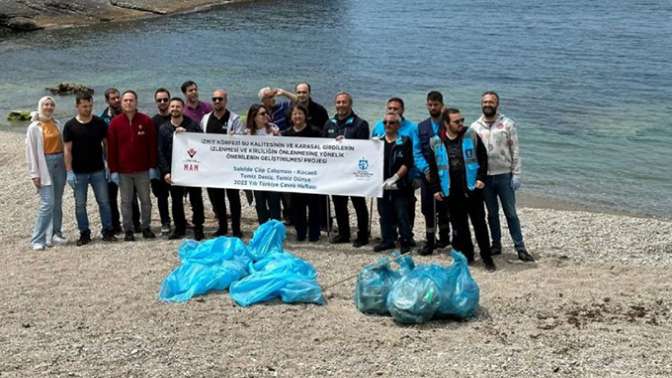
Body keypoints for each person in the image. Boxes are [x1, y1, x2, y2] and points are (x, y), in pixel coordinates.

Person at [470, 91, 534, 262]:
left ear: (497, 104)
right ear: (481, 104)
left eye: (491, 102)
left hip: (504, 176)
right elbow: (472, 156)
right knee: (491, 214)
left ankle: (520, 247)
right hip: (485, 178)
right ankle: (496, 244)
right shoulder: (474, 127)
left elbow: (516, 150)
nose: (487, 104)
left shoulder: (507, 124)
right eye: (485, 102)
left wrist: (517, 174)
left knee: (511, 213)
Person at [429, 108, 496, 271]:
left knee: (480, 224)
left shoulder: (470, 135)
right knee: (460, 227)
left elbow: (483, 158)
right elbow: (434, 167)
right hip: (451, 191)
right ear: (446, 123)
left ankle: (487, 258)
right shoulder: (436, 141)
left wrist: (481, 178)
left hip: (472, 188)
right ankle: (468, 256)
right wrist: (436, 189)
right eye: (456, 121)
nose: (461, 124)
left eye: (462, 120)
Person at [63, 92, 116, 246]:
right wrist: (69, 171)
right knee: (80, 204)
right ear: (77, 106)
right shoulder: (70, 125)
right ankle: (84, 233)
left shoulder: (99, 123)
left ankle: (108, 231)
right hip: (78, 172)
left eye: (90, 106)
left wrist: (108, 164)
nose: (88, 109)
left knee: (104, 202)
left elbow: (106, 144)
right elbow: (67, 149)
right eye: (84, 106)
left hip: (98, 170)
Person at [106, 90, 157, 241]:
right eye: (125, 100)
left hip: (143, 170)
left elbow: (152, 146)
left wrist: (152, 166)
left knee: (146, 201)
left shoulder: (146, 121)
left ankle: (146, 227)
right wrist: (113, 170)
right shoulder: (115, 123)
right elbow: (111, 149)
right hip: (123, 172)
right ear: (121, 103)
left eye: (131, 100)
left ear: (136, 102)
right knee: (126, 202)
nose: (128, 103)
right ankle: (128, 230)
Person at [323, 92, 370, 247]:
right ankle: (344, 234)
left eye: (344, 102)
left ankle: (363, 235)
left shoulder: (360, 124)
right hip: (336, 173)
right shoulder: (329, 123)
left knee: (359, 205)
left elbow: (364, 149)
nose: (341, 105)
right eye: (338, 102)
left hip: (355, 172)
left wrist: (347, 144)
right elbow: (323, 147)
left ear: (350, 104)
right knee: (339, 204)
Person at [370, 97, 419, 243]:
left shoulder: (409, 132)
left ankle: (406, 239)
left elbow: (413, 156)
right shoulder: (378, 130)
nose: (387, 124)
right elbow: (367, 153)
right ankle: (388, 240)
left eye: (395, 109)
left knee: (404, 212)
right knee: (384, 213)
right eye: (389, 109)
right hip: (382, 182)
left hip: (403, 181)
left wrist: (412, 177)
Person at [158, 97, 205, 241]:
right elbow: (160, 151)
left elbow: (202, 145)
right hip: (174, 171)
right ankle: (179, 228)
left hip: (192, 169)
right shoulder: (164, 128)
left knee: (196, 200)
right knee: (176, 201)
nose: (174, 109)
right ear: (169, 109)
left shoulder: (192, 125)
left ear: (183, 108)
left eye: (178, 106)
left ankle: (198, 228)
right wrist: (165, 172)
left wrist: (188, 136)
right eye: (172, 106)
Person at [200, 89, 244, 237]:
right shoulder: (205, 119)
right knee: (216, 199)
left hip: (230, 167)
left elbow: (242, 140)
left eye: (220, 99)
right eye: (214, 99)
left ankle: (237, 228)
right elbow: (199, 139)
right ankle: (223, 227)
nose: (217, 101)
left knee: (234, 199)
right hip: (212, 166)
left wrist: (235, 138)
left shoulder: (235, 119)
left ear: (226, 100)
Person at [25, 96, 66, 250]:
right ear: (40, 106)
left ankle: (55, 233)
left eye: (51, 104)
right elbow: (30, 152)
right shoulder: (34, 127)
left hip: (60, 162)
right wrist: (34, 174)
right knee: (47, 203)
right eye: (46, 104)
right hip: (44, 164)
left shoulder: (57, 124)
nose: (49, 107)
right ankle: (38, 239)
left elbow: (63, 145)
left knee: (57, 201)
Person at [414, 91, 451, 255]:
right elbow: (417, 152)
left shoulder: (449, 125)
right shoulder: (421, 127)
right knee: (428, 209)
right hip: (427, 175)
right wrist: (425, 169)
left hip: (446, 176)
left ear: (442, 105)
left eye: (436, 104)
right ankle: (430, 241)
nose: (433, 107)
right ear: (427, 105)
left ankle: (445, 238)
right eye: (430, 104)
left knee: (445, 207)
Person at [100, 87, 139, 234]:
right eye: (113, 98)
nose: (116, 100)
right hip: (110, 163)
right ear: (107, 101)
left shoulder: (129, 114)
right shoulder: (103, 119)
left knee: (131, 196)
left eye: (118, 98)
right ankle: (115, 224)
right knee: (111, 196)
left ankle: (136, 222)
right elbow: (103, 143)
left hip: (128, 163)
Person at [282, 103, 322, 242]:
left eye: (300, 113)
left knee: (314, 206)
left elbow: (328, 150)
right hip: (295, 177)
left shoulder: (316, 132)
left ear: (305, 116)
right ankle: (300, 232)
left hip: (313, 176)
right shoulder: (286, 134)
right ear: (291, 117)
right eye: (295, 114)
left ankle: (314, 234)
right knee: (297, 206)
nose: (297, 116)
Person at [246, 104, 281, 224]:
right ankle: (263, 229)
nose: (266, 115)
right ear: (254, 117)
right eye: (262, 114)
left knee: (274, 203)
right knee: (260, 204)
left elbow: (284, 149)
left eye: (266, 112)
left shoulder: (274, 128)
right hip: (256, 174)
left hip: (273, 173)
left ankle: (275, 230)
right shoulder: (247, 133)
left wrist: (278, 137)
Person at [151, 88, 173, 236]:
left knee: (178, 196)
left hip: (178, 164)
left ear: (170, 100)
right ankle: (165, 221)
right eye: (159, 100)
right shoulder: (151, 122)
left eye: (165, 99)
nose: (163, 102)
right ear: (156, 102)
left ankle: (181, 220)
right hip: (159, 165)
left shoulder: (178, 117)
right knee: (161, 196)